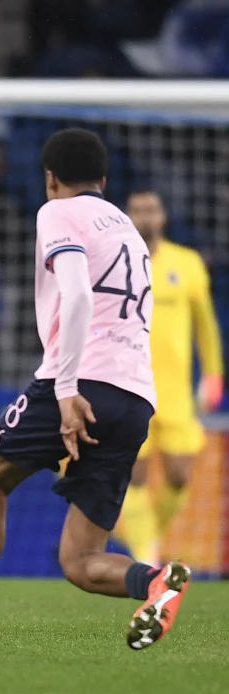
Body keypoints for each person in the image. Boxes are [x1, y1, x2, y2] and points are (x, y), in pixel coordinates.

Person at [0, 128, 187, 661]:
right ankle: (156, 581)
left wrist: (65, 388)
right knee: (80, 561)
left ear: (50, 179)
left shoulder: (58, 211)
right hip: (136, 396)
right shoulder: (129, 230)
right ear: (103, 179)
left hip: (82, 380)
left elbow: (79, 294)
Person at [115, 189, 223, 565]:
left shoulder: (187, 263)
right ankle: (147, 556)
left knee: (179, 475)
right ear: (127, 216)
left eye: (152, 209)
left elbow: (205, 325)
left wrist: (213, 374)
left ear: (163, 216)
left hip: (175, 392)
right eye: (138, 210)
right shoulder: (116, 264)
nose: (145, 216)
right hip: (130, 387)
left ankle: (148, 537)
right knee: (136, 475)